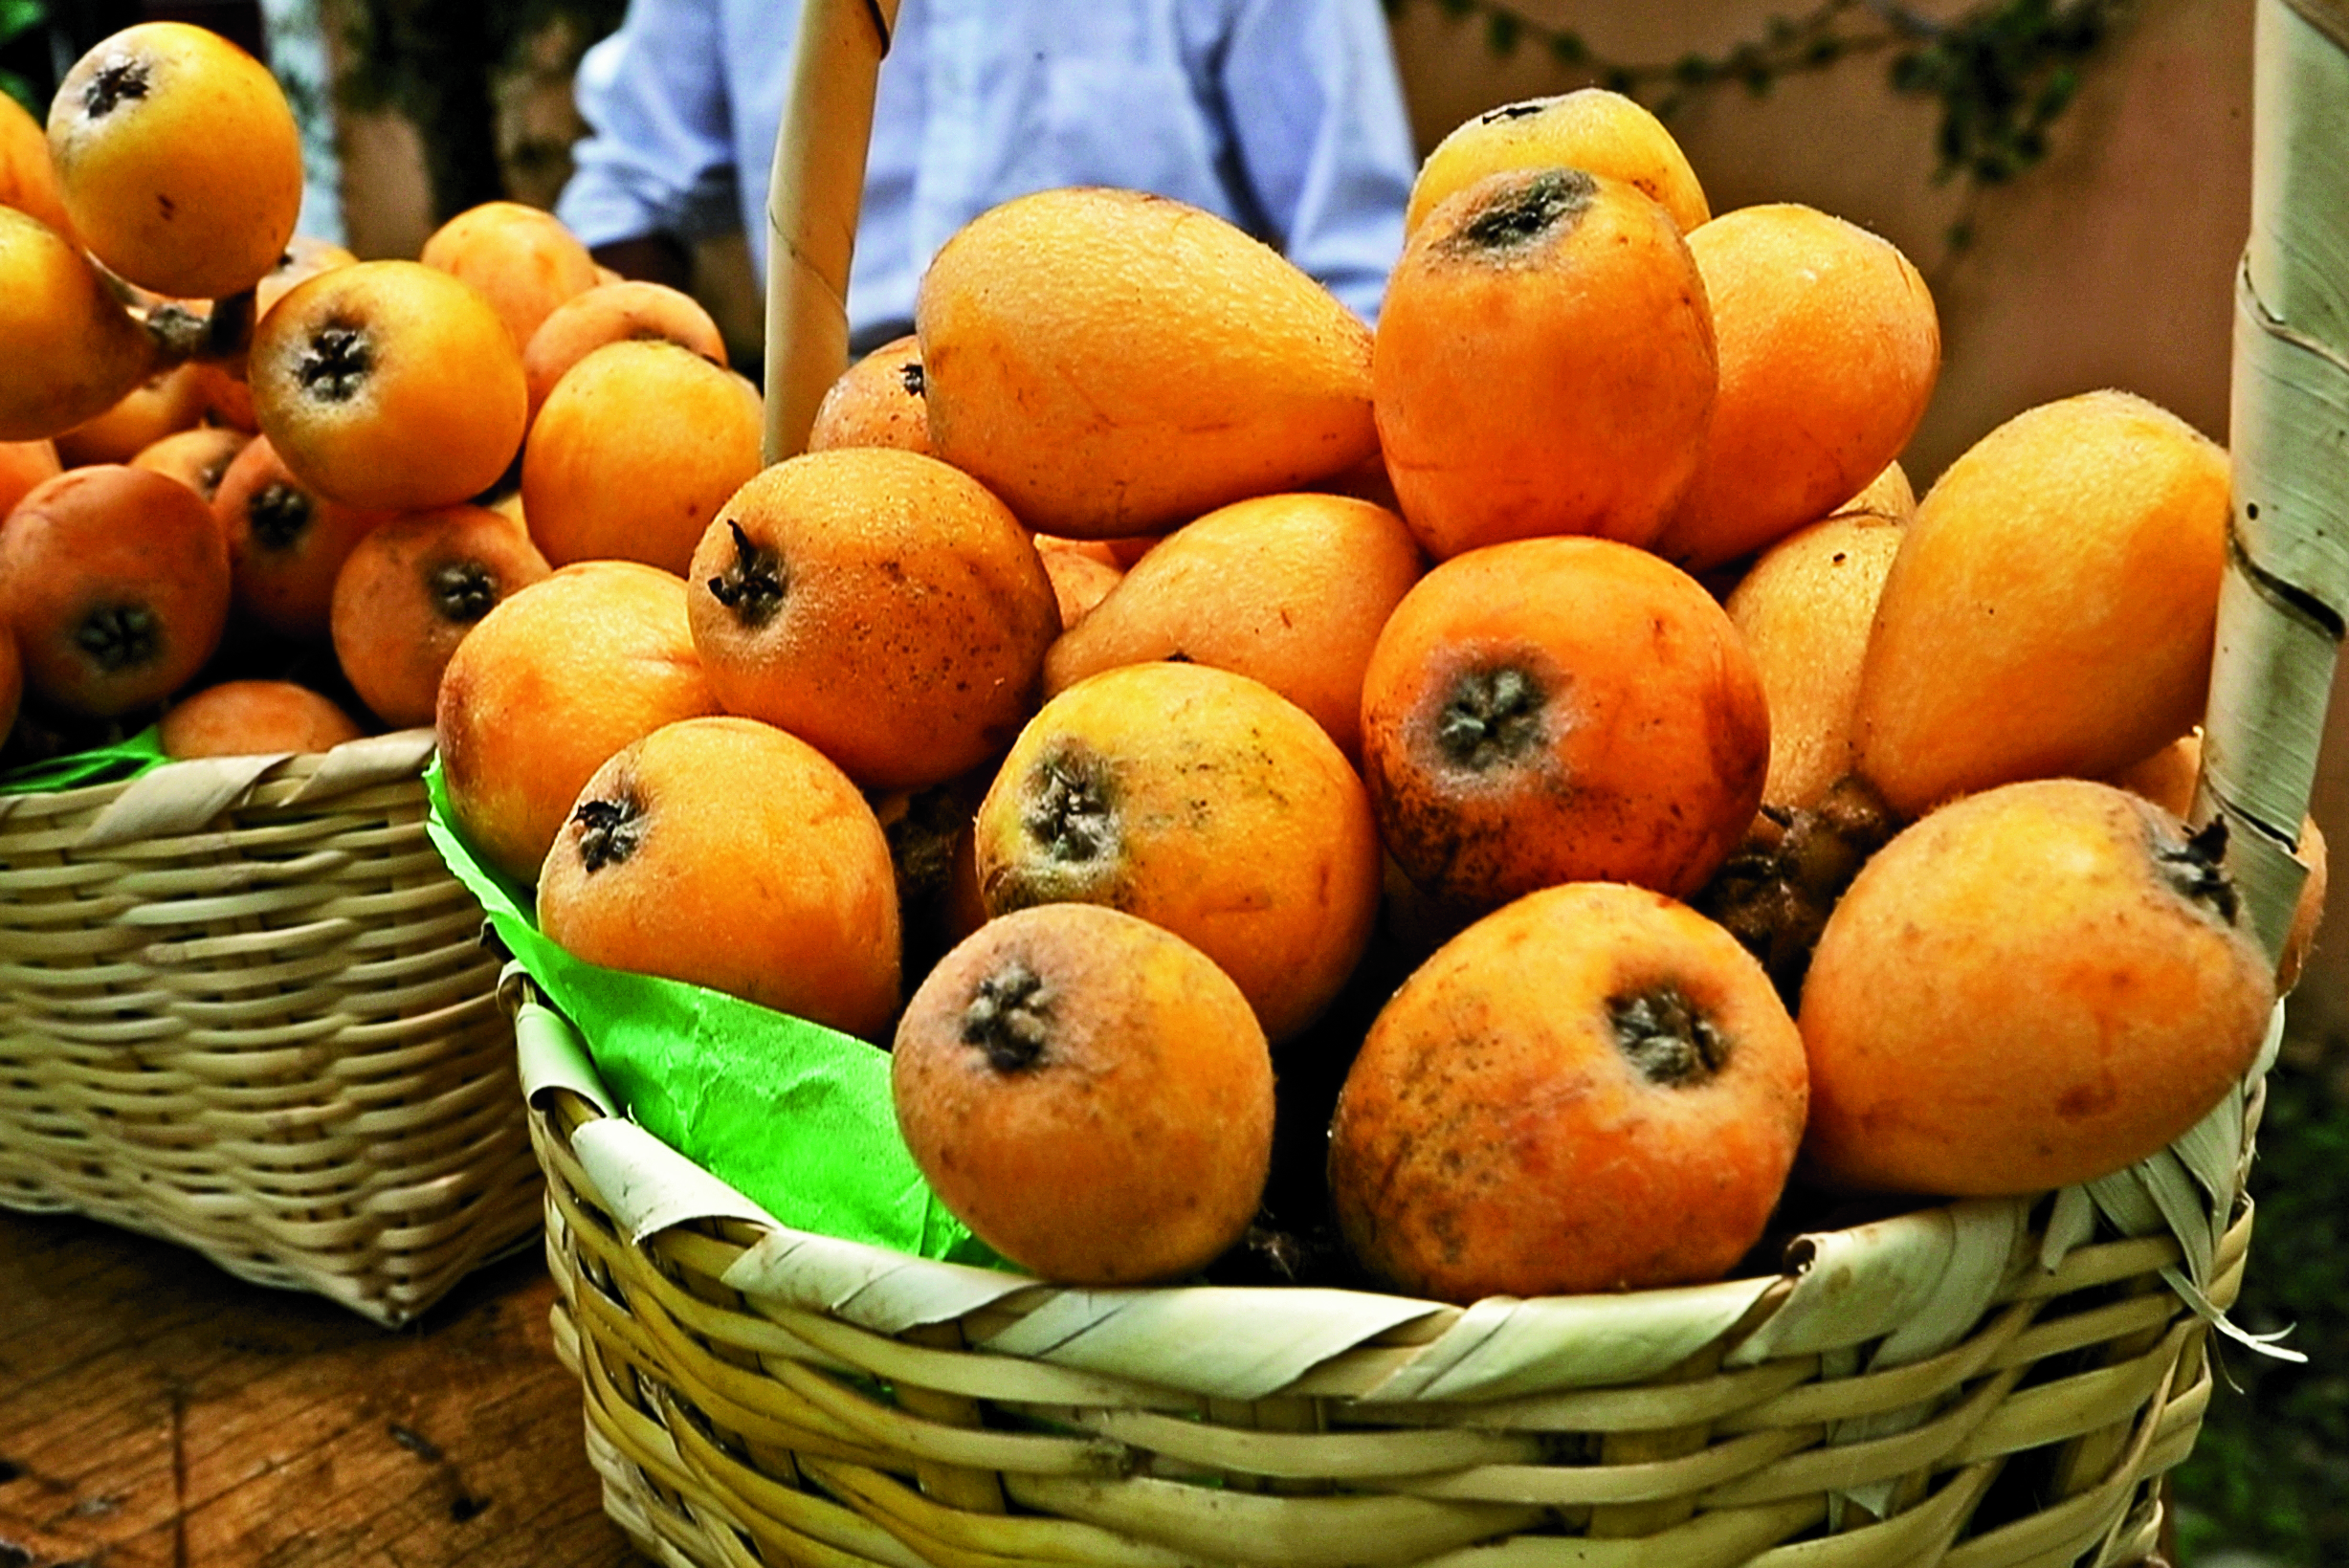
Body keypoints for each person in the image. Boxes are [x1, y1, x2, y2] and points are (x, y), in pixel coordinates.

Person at [555, 0, 1420, 352]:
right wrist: (654, 421)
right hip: (826, 466)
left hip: (1154, 469)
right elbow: (625, 194)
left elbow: (1360, 257)